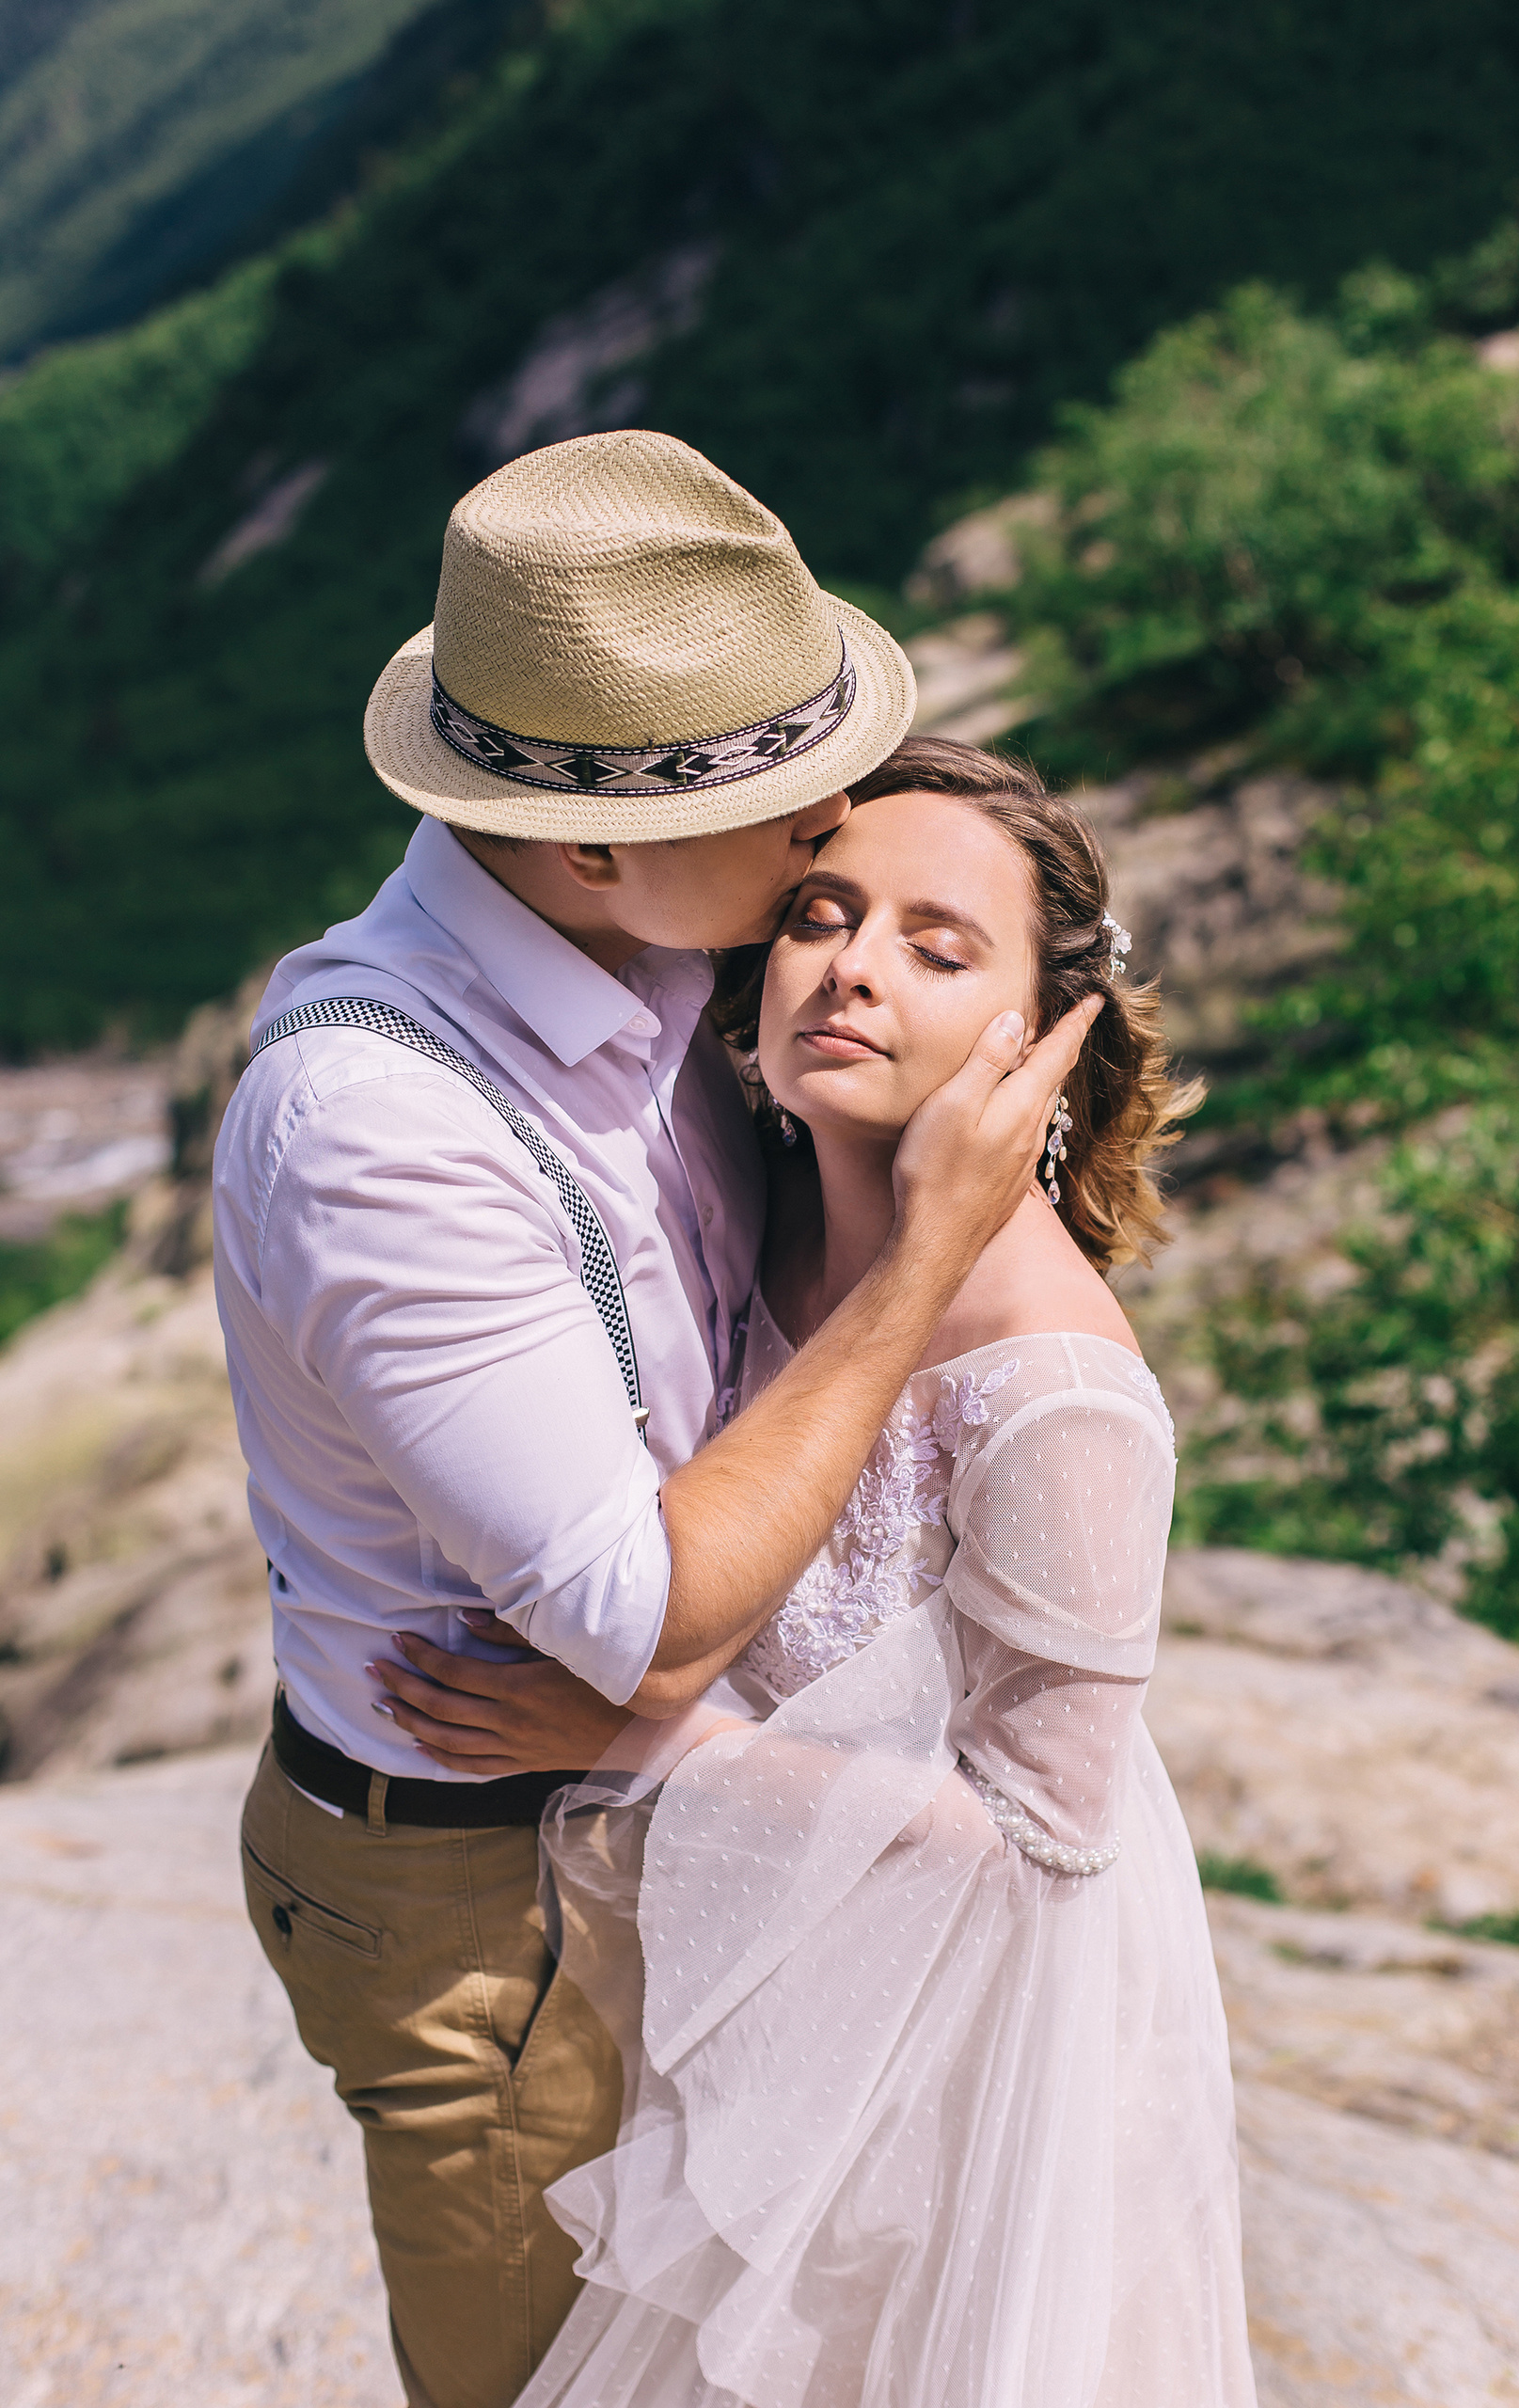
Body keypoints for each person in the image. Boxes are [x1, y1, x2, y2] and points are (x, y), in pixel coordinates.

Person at [214, 435, 1094, 2408]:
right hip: (486, 1899)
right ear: (593, 842)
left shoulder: (668, 961)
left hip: (674, 1823)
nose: (831, 840)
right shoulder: (380, 1128)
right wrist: (917, 1262)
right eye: (794, 820)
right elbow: (646, 1616)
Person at [404, 734, 1257, 2407]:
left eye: (939, 951)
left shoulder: (1061, 1390)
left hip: (960, 2079)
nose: (854, 968)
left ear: (1046, 1039)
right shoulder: (759, 1195)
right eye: (818, 913)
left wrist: (636, 1739)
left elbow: (1043, 1847)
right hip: (769, 1996)